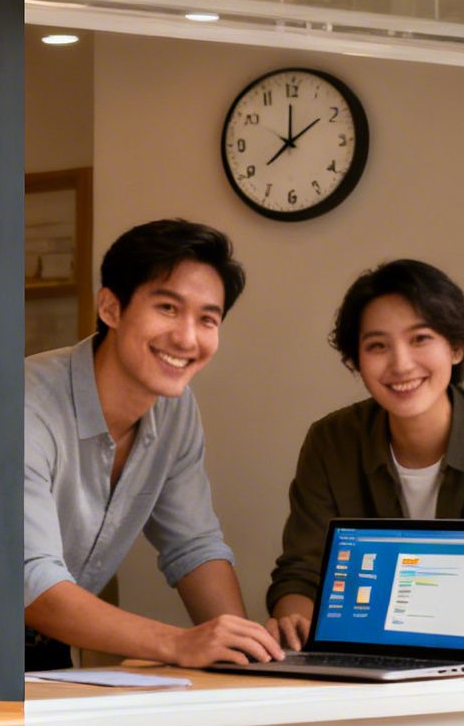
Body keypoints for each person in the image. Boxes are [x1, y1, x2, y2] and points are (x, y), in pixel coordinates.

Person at [265, 260, 464, 654]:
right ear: (356, 361)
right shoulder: (330, 442)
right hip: (355, 672)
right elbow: (301, 575)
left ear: (456, 347)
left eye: (420, 338)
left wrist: (428, 646)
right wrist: (295, 622)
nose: (401, 364)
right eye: (377, 346)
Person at [23, 219, 285, 670]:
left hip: (47, 650)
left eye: (207, 319)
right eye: (167, 308)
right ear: (111, 307)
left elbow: (194, 546)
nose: (187, 338)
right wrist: (179, 644)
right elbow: (30, 581)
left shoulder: (175, 410)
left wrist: (249, 659)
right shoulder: (25, 404)